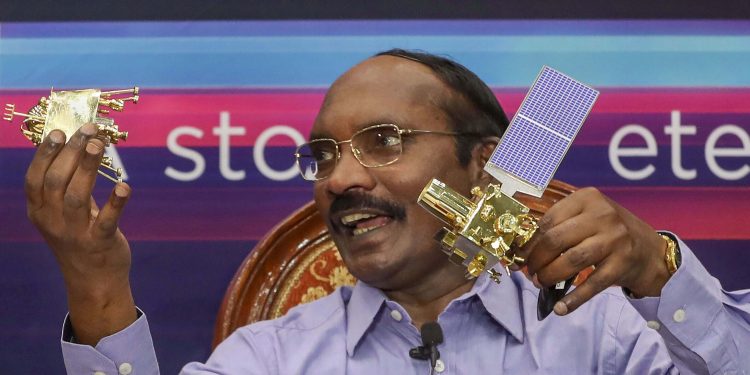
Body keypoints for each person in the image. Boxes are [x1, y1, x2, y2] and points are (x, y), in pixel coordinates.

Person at [26, 49, 749, 374]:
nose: (341, 177)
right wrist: (96, 284)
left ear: (484, 164)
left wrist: (660, 270)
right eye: (323, 154)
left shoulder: (603, 328)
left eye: (384, 141)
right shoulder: (272, 356)